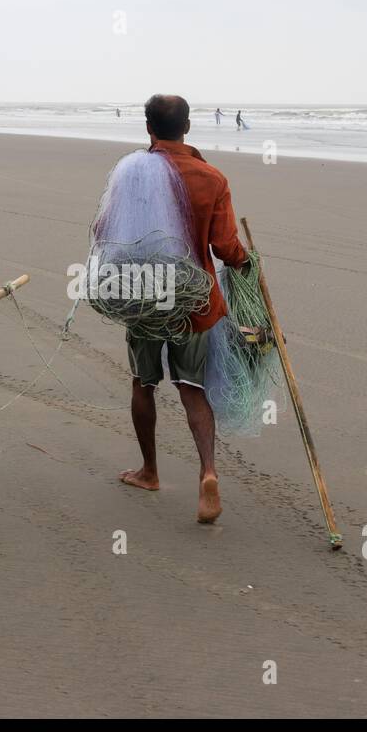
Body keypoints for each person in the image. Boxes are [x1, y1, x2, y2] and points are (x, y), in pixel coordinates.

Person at [118, 94, 248, 524]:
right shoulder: (212, 178)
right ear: (188, 127)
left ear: (149, 128)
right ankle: (208, 471)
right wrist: (247, 262)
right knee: (193, 389)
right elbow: (225, 247)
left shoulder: (133, 174)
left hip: (145, 296)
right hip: (195, 302)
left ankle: (150, 471)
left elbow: (109, 233)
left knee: (143, 382)